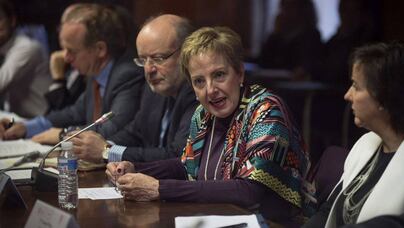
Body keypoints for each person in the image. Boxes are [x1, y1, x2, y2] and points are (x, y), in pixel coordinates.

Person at [106, 26, 313, 226]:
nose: (210, 90)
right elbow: (186, 166)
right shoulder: (203, 114)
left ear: (239, 74)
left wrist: (159, 188)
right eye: (199, 81)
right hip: (215, 220)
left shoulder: (267, 111)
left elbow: (249, 191)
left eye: (219, 75)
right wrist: (135, 169)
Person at [303, 42, 404, 228]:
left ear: (383, 97)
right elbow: (329, 210)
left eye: (356, 86)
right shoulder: (366, 144)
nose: (348, 95)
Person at [0, 3, 144, 143]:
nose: (66, 58)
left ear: (100, 49)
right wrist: (26, 127)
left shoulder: (127, 75)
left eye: (72, 51)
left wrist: (63, 135)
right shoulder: (96, 72)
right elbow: (74, 113)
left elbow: (110, 130)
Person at [69, 14, 198, 164]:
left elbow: (177, 156)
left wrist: (107, 152)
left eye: (158, 58)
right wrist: (100, 147)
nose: (149, 69)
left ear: (187, 53)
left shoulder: (197, 93)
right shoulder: (154, 89)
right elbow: (136, 132)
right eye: (143, 60)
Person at [0, 0, 51, 118]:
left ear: (12, 20)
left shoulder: (27, 47)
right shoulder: (3, 49)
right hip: (15, 118)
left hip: (41, 119)